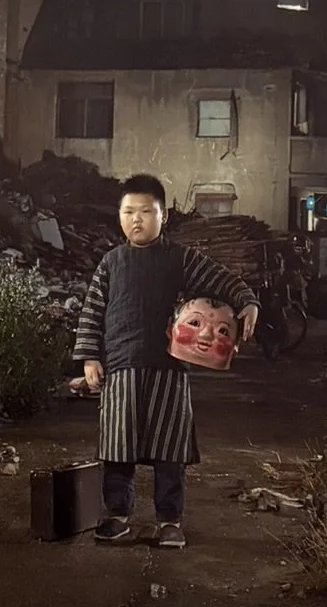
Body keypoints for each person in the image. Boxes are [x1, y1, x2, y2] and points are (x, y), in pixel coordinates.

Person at [72, 174, 259, 549]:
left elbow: (224, 280)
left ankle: (169, 522)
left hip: (169, 372)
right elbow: (92, 313)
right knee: (117, 449)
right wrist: (90, 357)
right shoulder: (111, 263)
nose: (136, 219)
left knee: (169, 450)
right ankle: (117, 517)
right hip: (120, 369)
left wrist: (248, 301)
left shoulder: (181, 259)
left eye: (146, 211)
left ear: (164, 216)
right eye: (128, 212)